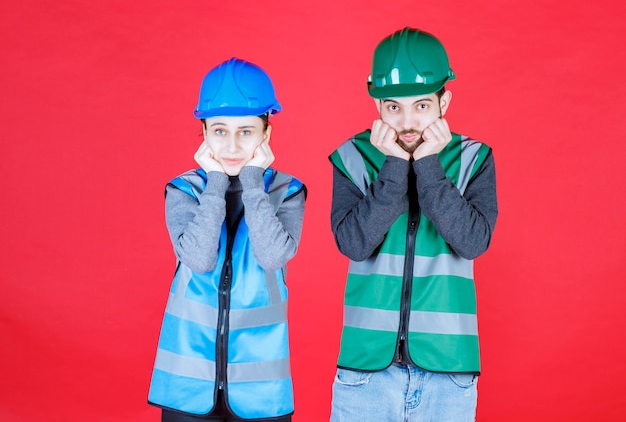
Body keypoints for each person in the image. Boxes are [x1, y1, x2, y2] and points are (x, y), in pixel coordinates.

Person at [328, 28, 498, 421]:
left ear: (444, 101)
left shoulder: (475, 158)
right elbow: (353, 242)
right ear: (377, 104)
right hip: (365, 371)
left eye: (421, 106)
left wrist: (427, 165)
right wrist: (393, 166)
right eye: (393, 107)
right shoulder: (352, 157)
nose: (407, 122)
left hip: (449, 373)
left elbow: (472, 241)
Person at [148, 58, 306, 422]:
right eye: (220, 131)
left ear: (266, 133)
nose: (232, 145)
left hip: (261, 389)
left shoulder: (287, 191)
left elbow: (272, 256)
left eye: (246, 131)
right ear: (203, 132)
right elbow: (200, 259)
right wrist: (216, 182)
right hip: (187, 386)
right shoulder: (184, 189)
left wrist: (253, 181)